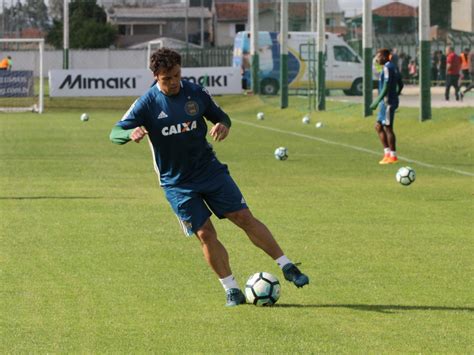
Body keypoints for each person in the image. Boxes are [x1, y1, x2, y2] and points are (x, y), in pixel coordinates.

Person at [109, 48, 309, 307]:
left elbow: (221, 116)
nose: (173, 83)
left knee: (243, 217)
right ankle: (231, 289)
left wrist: (223, 125)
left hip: (209, 170)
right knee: (205, 233)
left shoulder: (195, 92)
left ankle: (287, 265)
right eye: (166, 79)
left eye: (177, 75)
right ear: (155, 76)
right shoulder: (146, 103)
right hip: (176, 183)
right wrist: (130, 134)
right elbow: (114, 132)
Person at [370, 48, 404, 165]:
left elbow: (386, 87)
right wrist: (397, 93)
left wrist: (376, 101)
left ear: (384, 57)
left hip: (387, 102)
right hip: (386, 102)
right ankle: (387, 154)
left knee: (388, 128)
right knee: (378, 127)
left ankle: (393, 156)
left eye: (378, 56)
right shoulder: (392, 67)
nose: (377, 59)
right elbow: (401, 83)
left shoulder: (388, 68)